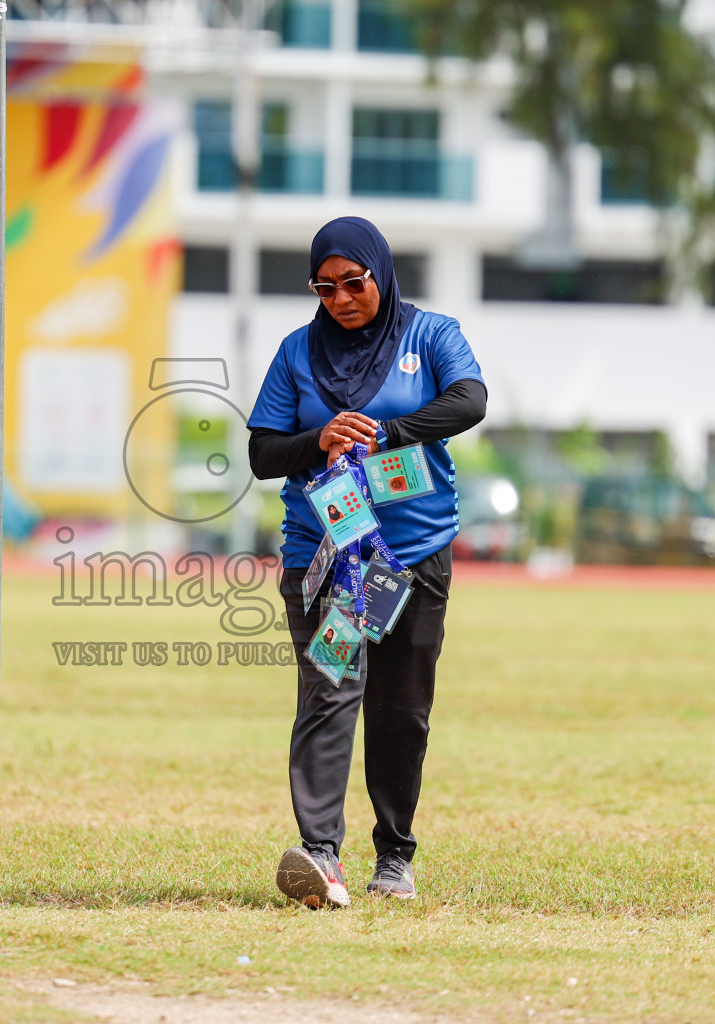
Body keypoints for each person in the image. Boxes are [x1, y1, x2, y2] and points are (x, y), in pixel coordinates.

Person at [248, 216, 486, 909]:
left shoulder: (430, 334)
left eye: (355, 283)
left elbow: (470, 399)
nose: (342, 299)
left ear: (381, 273)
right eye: (325, 288)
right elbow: (264, 452)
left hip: (410, 557)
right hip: (328, 556)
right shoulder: (298, 353)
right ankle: (320, 855)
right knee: (330, 690)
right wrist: (317, 437)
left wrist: (388, 433)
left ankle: (394, 856)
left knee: (400, 710)